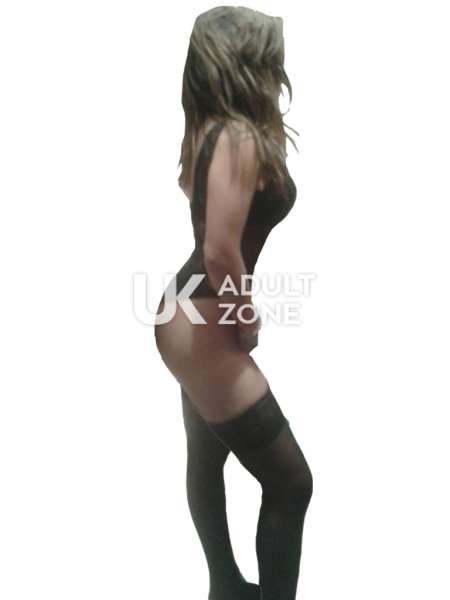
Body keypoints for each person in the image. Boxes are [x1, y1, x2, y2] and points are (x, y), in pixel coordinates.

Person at [154, 7, 313, 600]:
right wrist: (245, 319)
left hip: (184, 311)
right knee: (291, 482)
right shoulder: (238, 138)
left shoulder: (211, 130)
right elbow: (220, 250)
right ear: (244, 62)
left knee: (206, 458)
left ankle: (224, 585)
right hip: (204, 320)